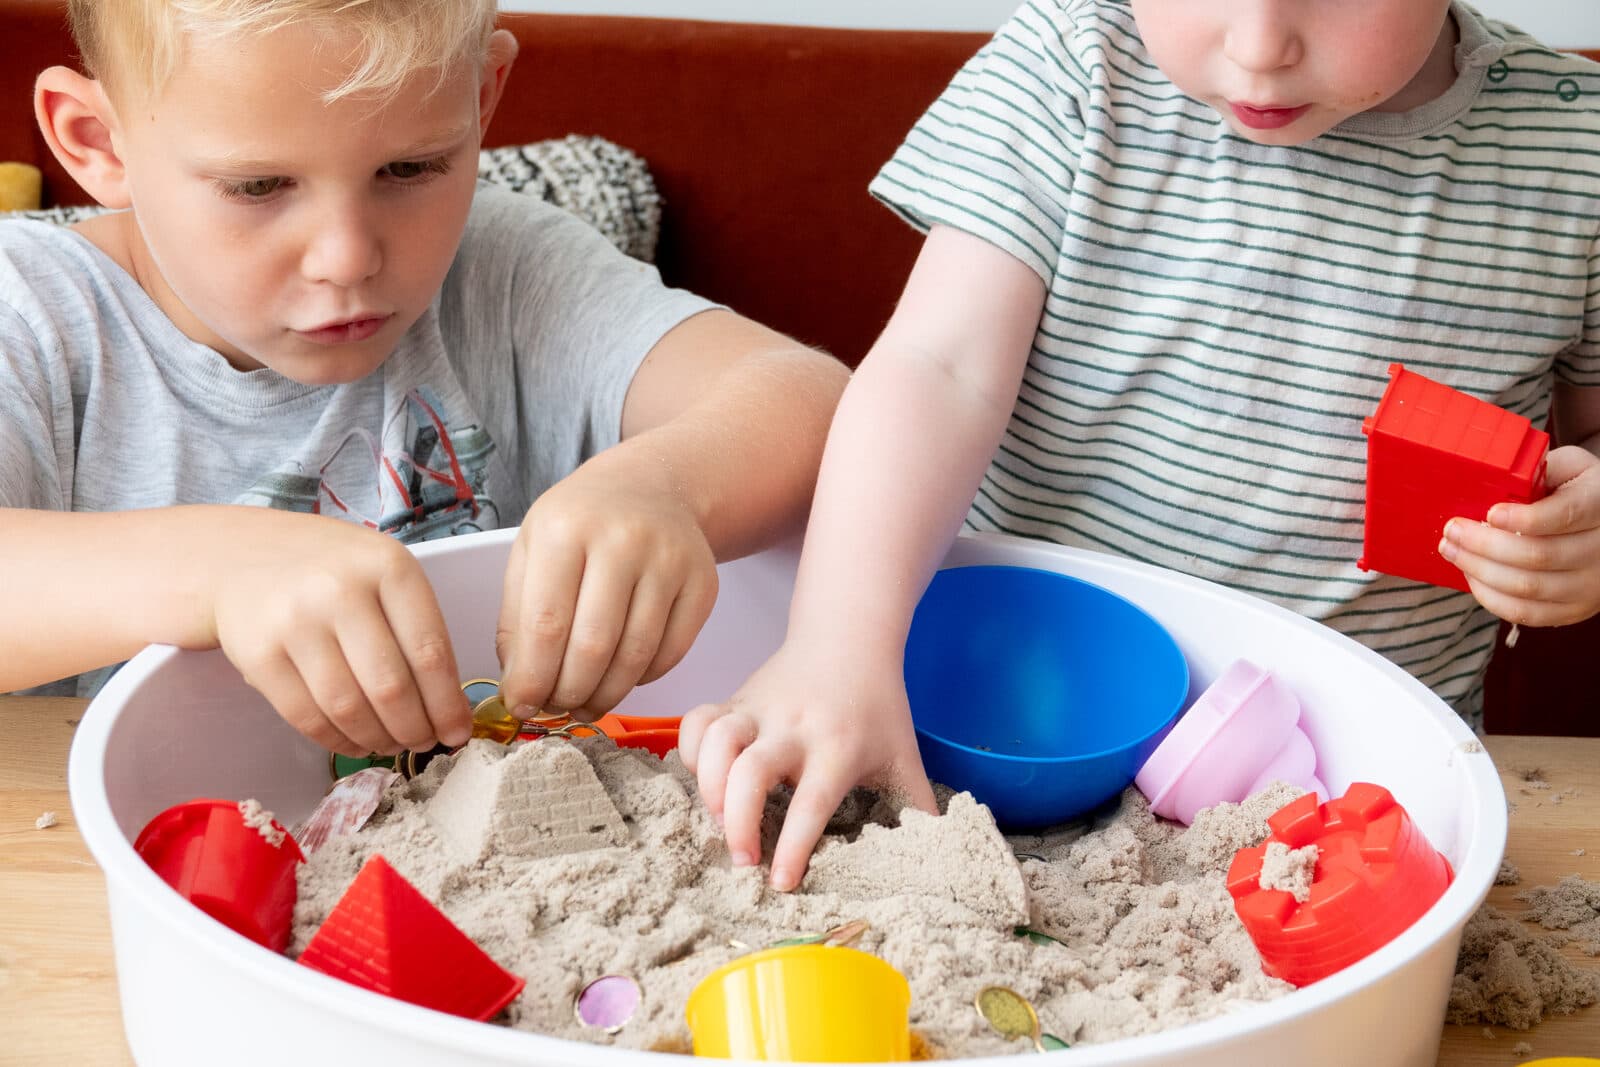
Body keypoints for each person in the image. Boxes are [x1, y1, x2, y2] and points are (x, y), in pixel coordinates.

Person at [681, 0, 1600, 891]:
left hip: (1343, 807)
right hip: (994, 745)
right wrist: (838, 644)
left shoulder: (1573, 150)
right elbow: (937, 367)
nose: (1260, 43)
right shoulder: (1076, 66)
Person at [0, 0, 848, 763]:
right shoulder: (32, 314)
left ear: (482, 100)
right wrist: (216, 567)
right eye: (258, 186)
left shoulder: (507, 272)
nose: (347, 258)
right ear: (97, 142)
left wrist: (668, 487)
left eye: (409, 170)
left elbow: (815, 401)